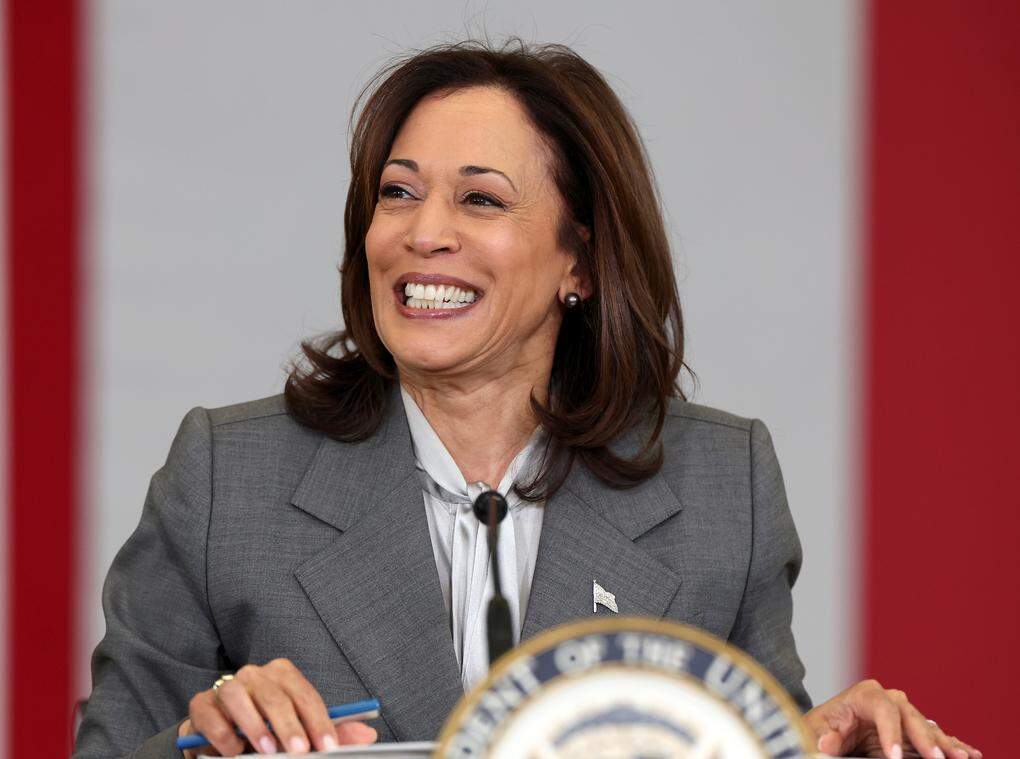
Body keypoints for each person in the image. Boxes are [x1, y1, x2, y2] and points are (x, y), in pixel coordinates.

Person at [73, 40, 981, 759]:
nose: (425, 233)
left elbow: (761, 744)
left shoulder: (719, 488)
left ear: (579, 261)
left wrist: (846, 746)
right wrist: (205, 747)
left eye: (480, 200)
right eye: (398, 193)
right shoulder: (229, 478)